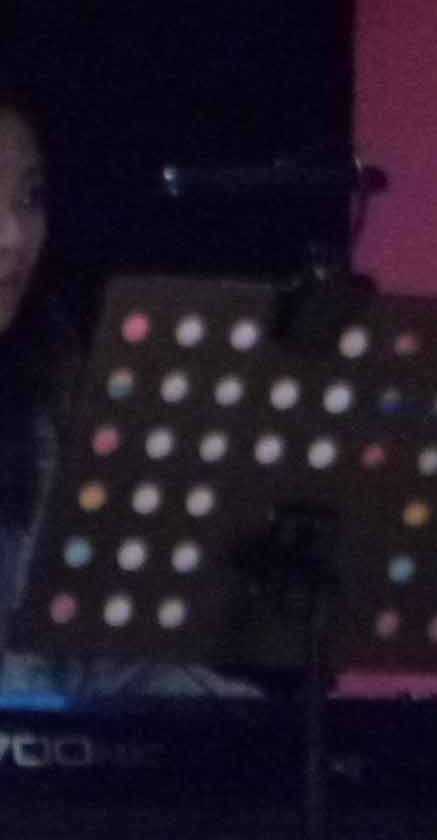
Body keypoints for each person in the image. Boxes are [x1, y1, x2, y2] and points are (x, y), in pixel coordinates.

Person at [0, 94, 250, 705]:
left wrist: (268, 732)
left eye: (29, 198)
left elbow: (103, 666)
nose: (12, 236)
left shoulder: (48, 393)